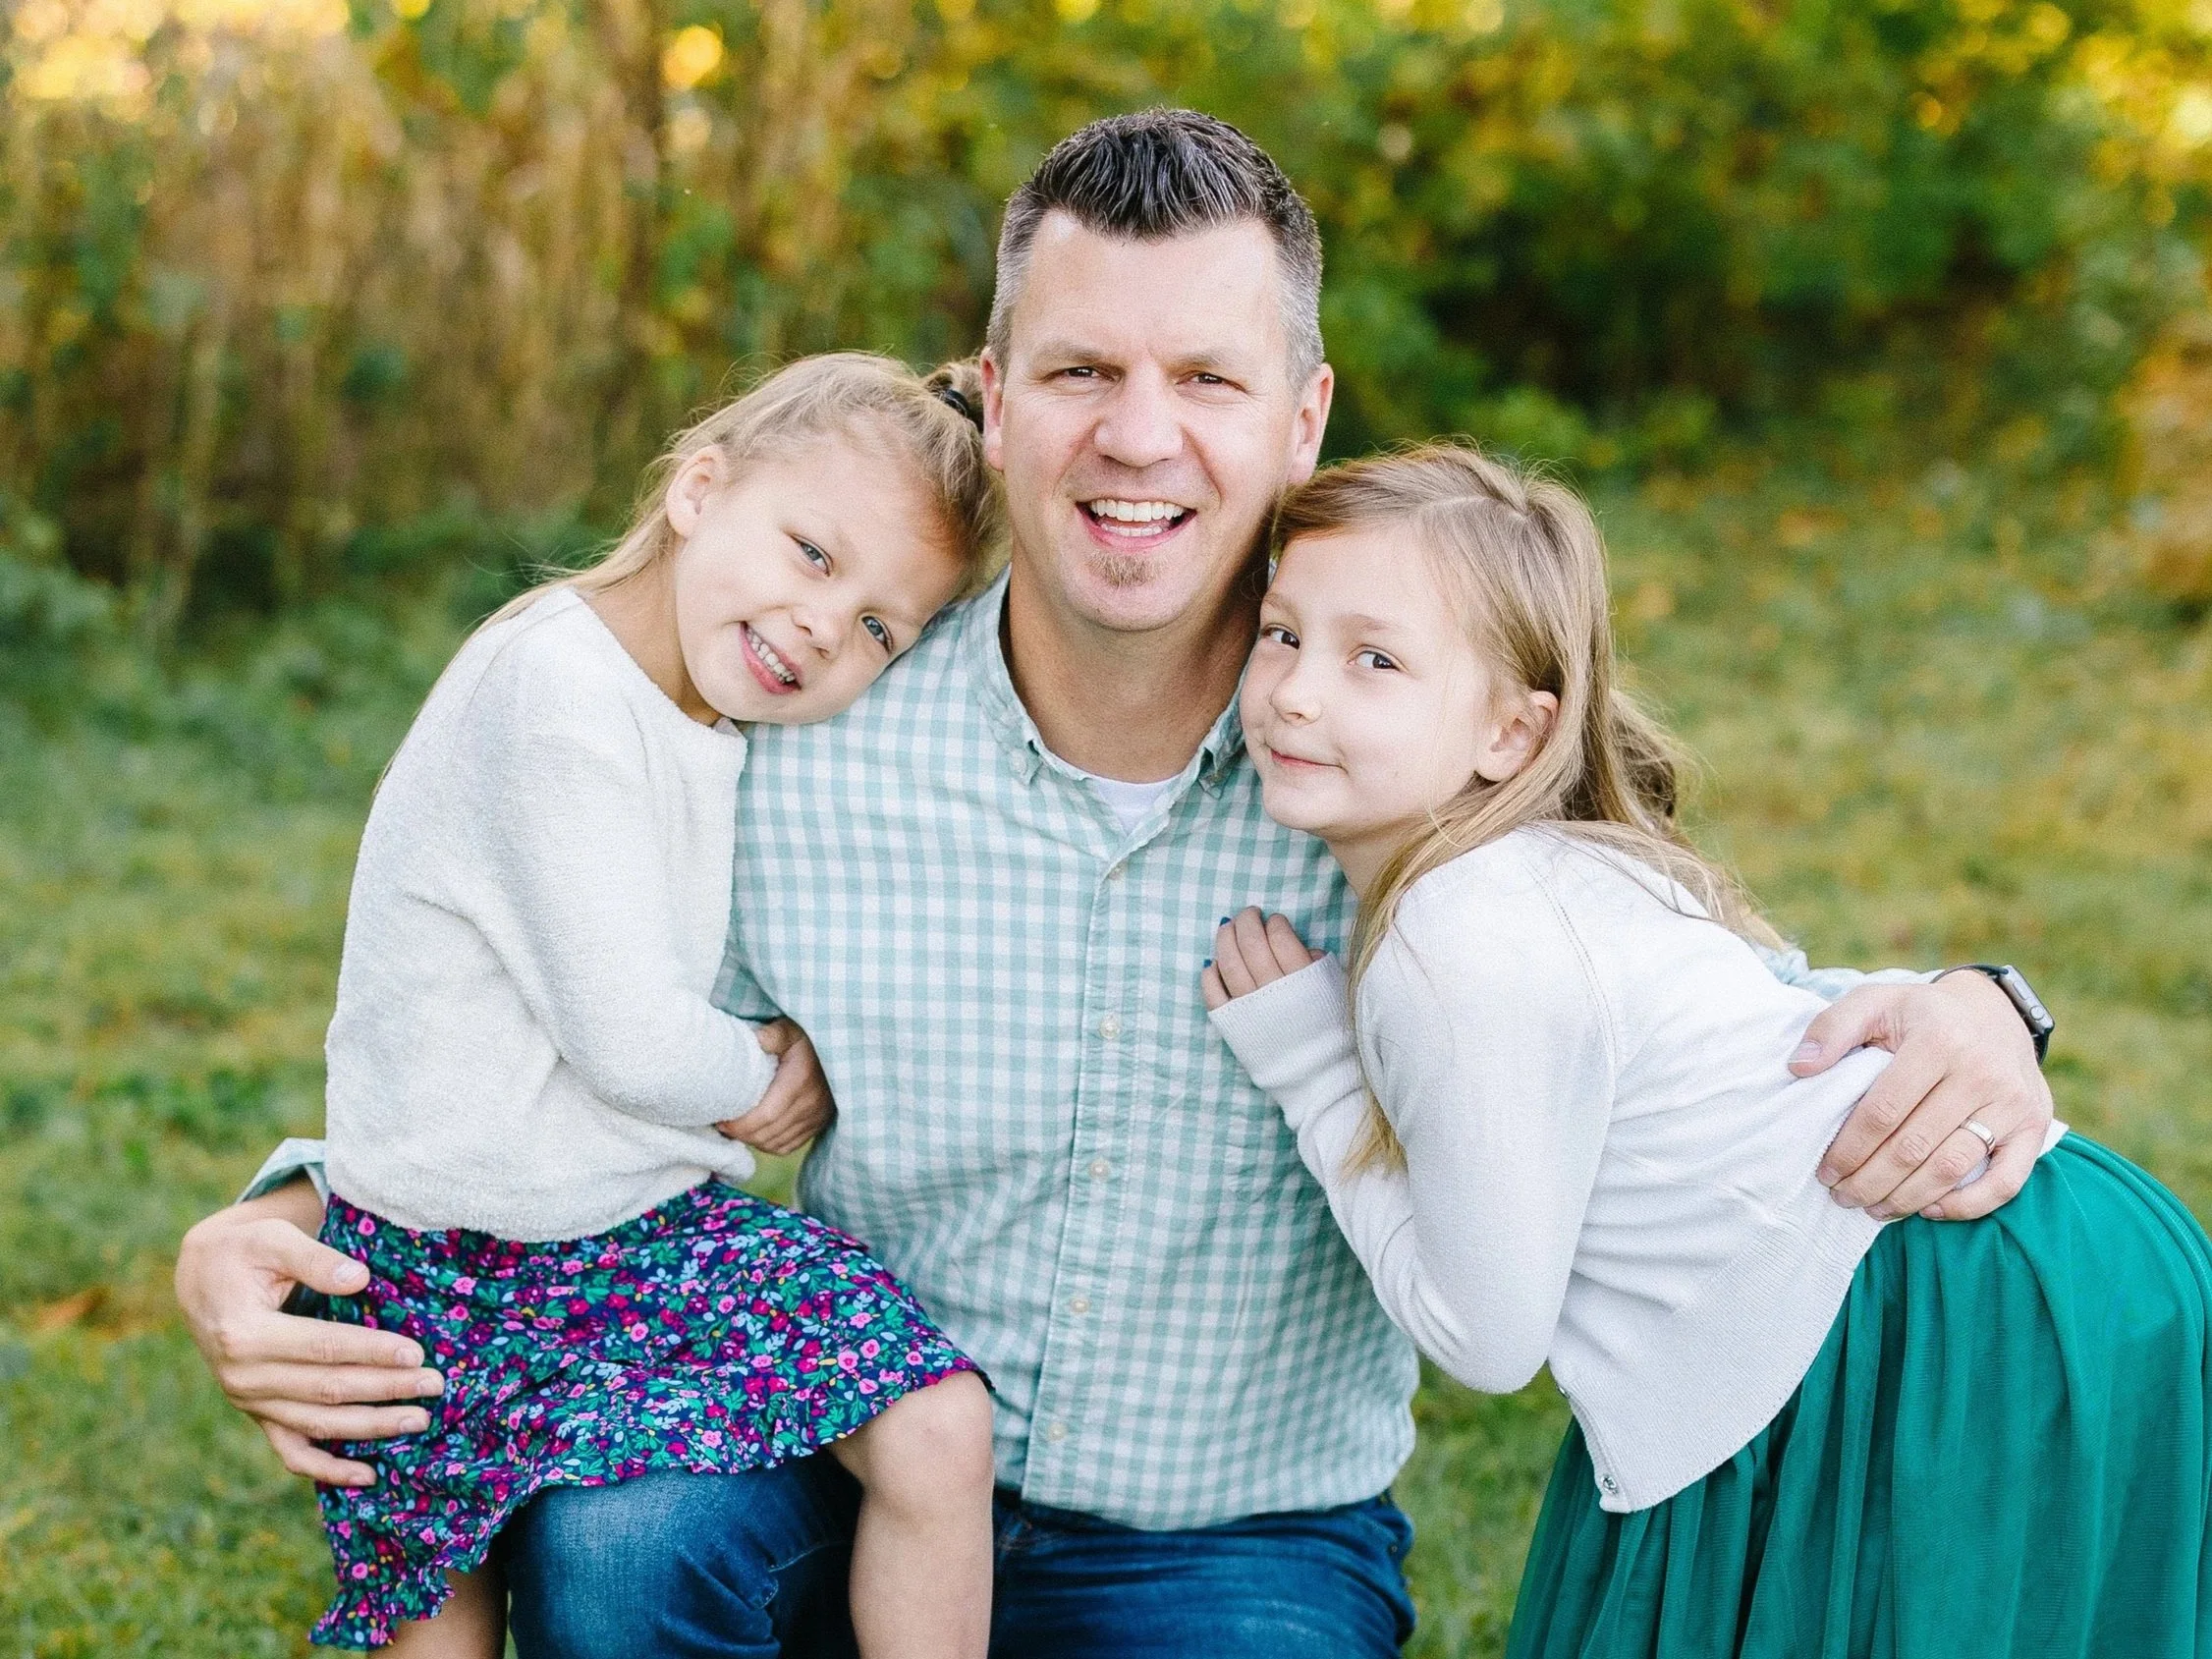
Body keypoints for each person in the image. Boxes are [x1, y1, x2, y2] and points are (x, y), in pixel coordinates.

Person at [175, 112, 2060, 1657]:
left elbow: (1671, 983)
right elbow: (550, 989)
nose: (1137, 437)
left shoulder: (1394, 758)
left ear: (1302, 416)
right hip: (840, 1459)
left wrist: (1981, 1003)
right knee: (613, 1543)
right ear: (994, 396)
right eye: (1079, 369)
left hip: (1233, 1541)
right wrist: (283, 1204)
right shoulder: (809, 717)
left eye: (1205, 378)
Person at [1204, 442, 2212, 1658]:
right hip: (2074, 1252)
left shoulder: (1454, 936)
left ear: (1511, 736)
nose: (1296, 692)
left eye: (1374, 659)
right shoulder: (1558, 865)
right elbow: (1786, 1003)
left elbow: (1484, 1336)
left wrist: (1312, 1071)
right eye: (1280, 633)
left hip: (1942, 1311)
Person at [292, 354, 999, 1654]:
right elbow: (627, 1036)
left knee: (936, 1425)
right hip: (437, 1274)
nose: (823, 625)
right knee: (431, 1626)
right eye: (810, 552)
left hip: (616, 1241)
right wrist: (765, 1073)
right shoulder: (558, 692)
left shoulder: (700, 711)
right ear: (699, 488)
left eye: (883, 628)